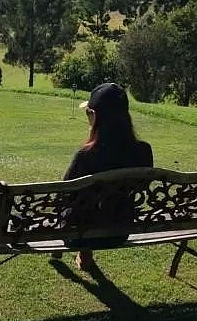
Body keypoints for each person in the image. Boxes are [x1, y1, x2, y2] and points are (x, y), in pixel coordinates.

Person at [62, 82, 153, 270]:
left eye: (88, 113)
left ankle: (83, 252)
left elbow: (63, 194)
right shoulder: (143, 151)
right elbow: (143, 185)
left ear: (94, 116)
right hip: (120, 230)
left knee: (77, 206)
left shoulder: (86, 156)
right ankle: (84, 255)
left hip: (80, 234)